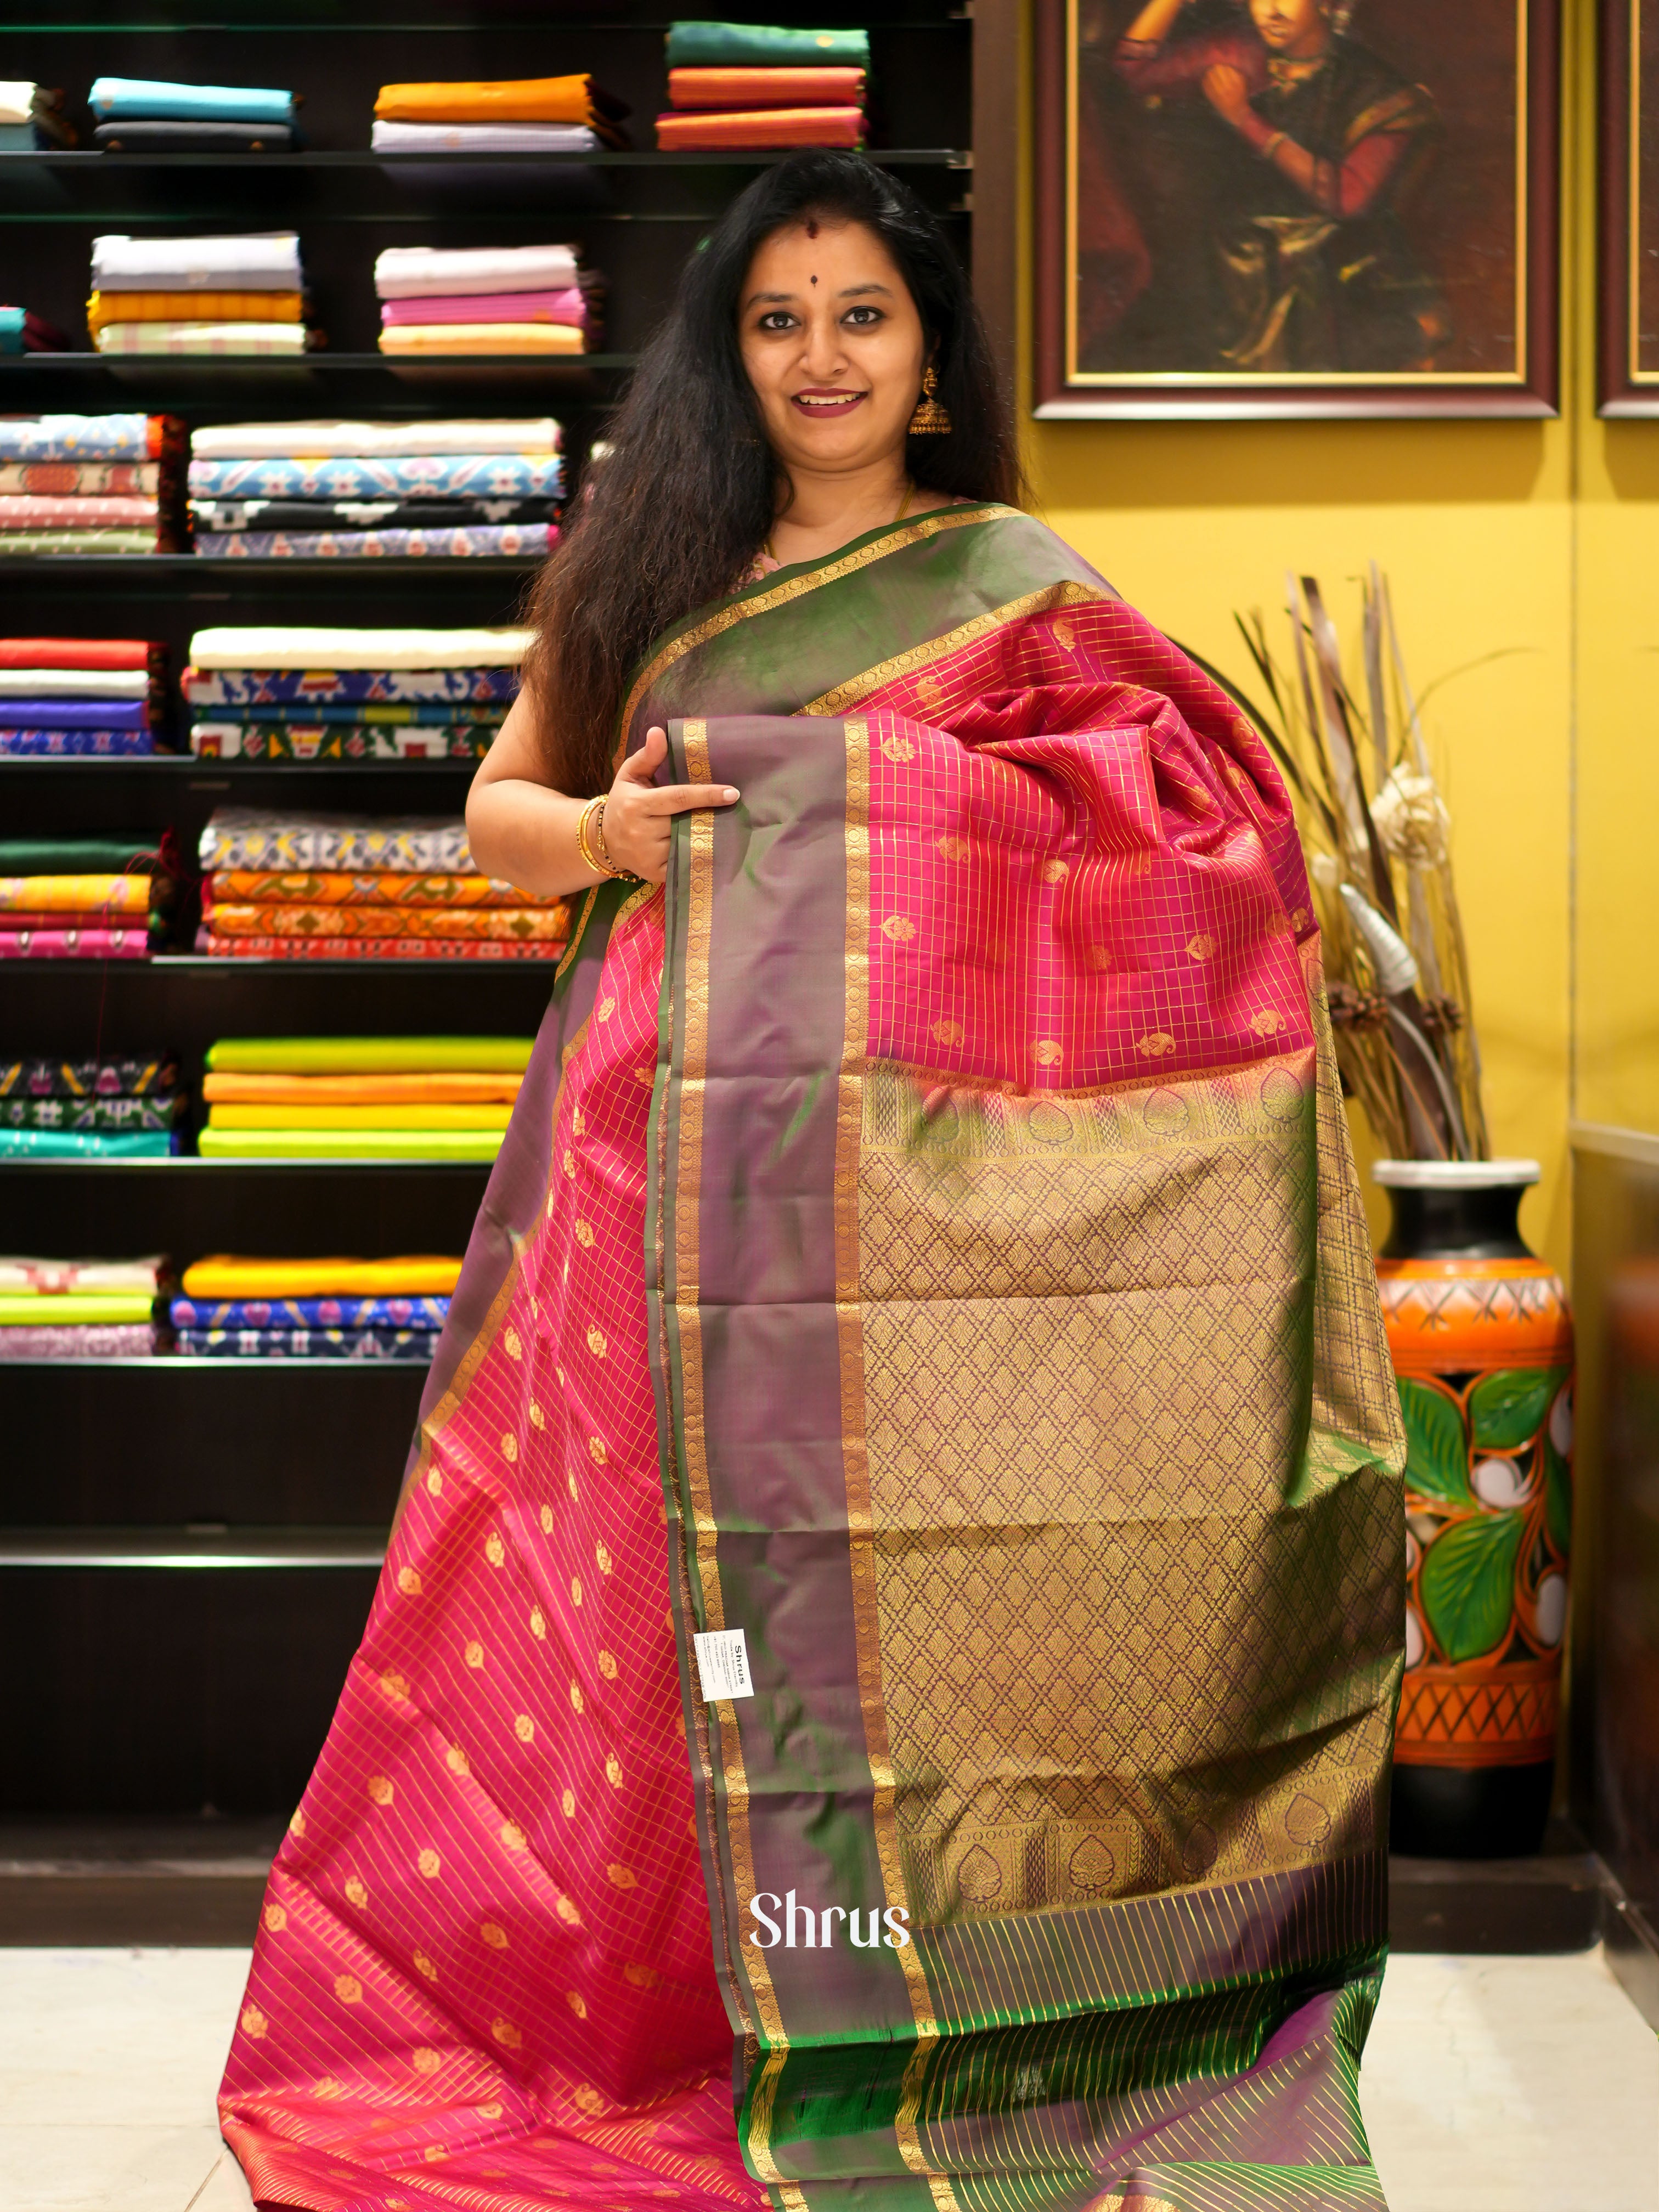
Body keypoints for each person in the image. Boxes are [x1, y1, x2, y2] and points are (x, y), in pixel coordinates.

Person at [220, 150, 1405, 2211]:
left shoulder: (1012, 584)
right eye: (777, 318)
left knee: (894, 1638)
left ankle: (924, 2019)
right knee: (627, 1620)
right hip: (649, 1185)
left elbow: (1201, 833)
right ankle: (644, 2020)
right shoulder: (648, 565)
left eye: (859, 312)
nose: (820, 354)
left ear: (928, 353)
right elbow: (501, 807)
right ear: (728, 352)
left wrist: (856, 789)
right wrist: (602, 834)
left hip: (909, 1231)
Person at [1095, 0, 1442, 372]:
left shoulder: (1377, 88)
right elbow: (1130, 71)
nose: (1271, 11)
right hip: (1231, 260)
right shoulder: (1236, 51)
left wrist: (1245, 120)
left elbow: (1347, 198)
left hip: (1337, 264)